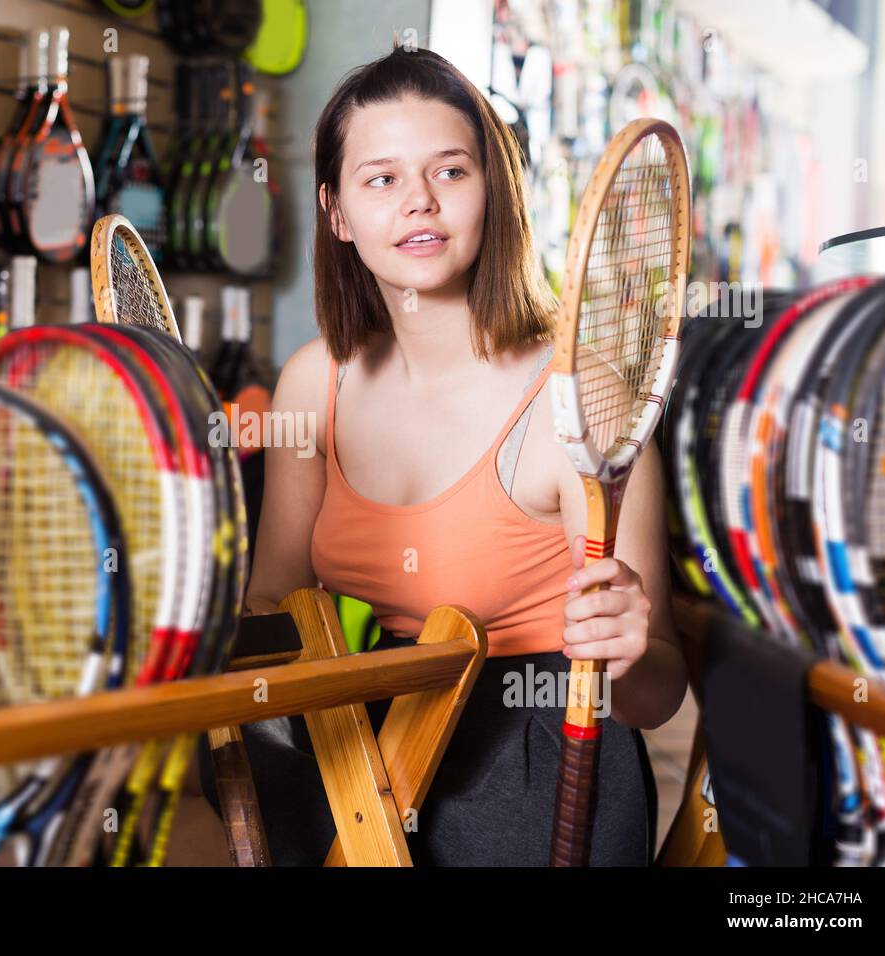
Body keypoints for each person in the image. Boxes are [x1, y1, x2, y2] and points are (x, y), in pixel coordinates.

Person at [199, 46, 687, 866]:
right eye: (381, 179)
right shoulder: (315, 380)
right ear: (338, 212)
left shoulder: (576, 395)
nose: (418, 202)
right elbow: (276, 601)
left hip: (539, 756)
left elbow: (655, 694)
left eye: (451, 172)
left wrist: (632, 650)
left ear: (492, 191)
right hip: (372, 729)